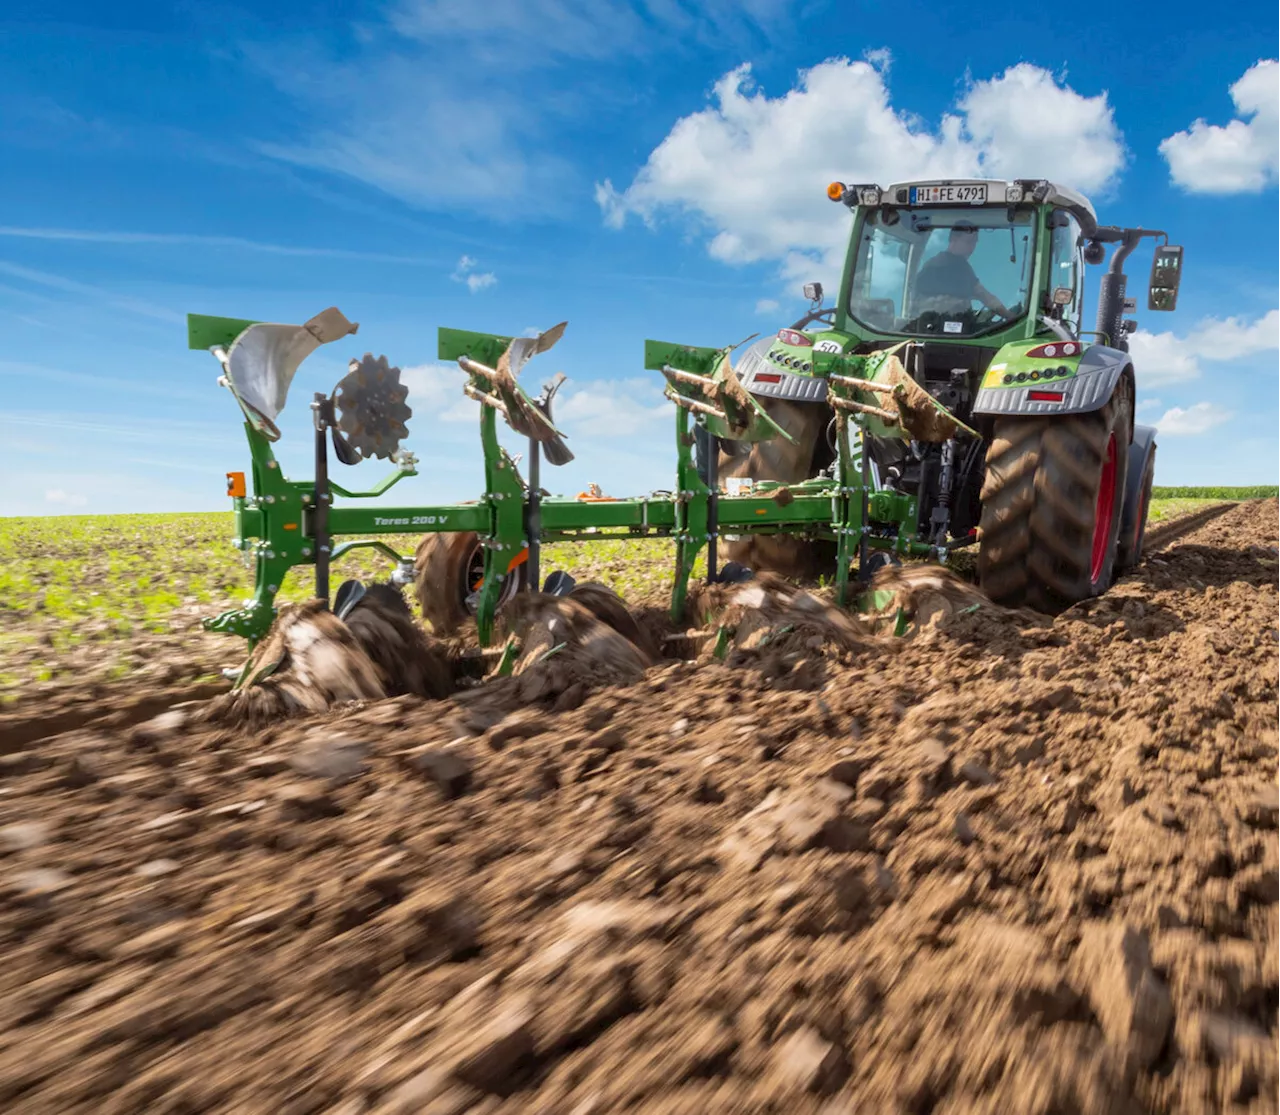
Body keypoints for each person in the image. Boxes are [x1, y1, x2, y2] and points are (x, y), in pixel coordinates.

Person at [913, 222, 1011, 318]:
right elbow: (984, 296)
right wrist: (1009, 317)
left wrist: (1011, 317)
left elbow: (984, 296)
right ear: (953, 239)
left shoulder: (961, 267)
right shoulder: (938, 266)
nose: (972, 247)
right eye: (969, 242)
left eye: (975, 242)